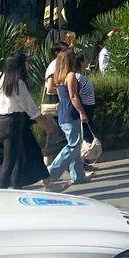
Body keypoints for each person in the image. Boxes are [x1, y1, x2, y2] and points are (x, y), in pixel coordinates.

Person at [0, 52, 53, 188]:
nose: (28, 65)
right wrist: (45, 124)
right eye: (26, 63)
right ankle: (1, 190)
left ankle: (17, 186)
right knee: (9, 162)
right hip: (13, 122)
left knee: (18, 156)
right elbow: (30, 107)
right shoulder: (17, 83)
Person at [45, 49, 89, 186]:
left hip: (63, 113)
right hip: (71, 112)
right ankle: (51, 172)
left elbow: (59, 93)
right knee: (74, 145)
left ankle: (78, 175)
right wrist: (82, 112)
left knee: (74, 144)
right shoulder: (70, 76)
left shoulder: (58, 76)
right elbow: (73, 96)